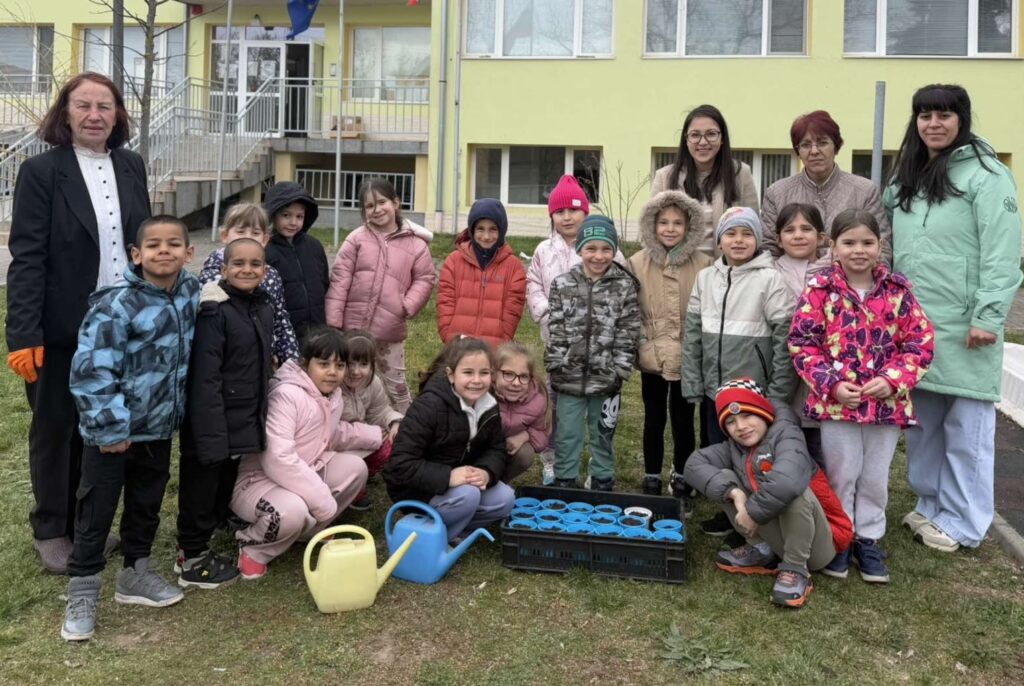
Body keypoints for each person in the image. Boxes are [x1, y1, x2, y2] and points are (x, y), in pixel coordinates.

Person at [6, 72, 151, 573]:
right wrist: (24, 333)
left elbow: (141, 241)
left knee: (105, 427)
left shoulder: (131, 165)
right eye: (83, 105)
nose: (94, 115)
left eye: (104, 106)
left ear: (118, 115)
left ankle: (88, 523)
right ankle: (52, 529)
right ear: (65, 114)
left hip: (124, 322)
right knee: (57, 429)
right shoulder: (42, 172)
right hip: (61, 325)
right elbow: (27, 257)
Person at [884, 84, 1022, 553]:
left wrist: (989, 315)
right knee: (923, 424)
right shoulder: (909, 174)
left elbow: (1003, 252)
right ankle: (931, 504)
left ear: (961, 119)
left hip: (965, 325)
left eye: (943, 114)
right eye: (925, 115)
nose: (933, 124)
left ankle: (965, 520)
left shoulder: (988, 175)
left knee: (968, 427)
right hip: (915, 325)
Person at [61, 216, 200, 641]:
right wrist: (109, 428)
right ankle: (82, 591)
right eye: (153, 245)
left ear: (188, 253)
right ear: (136, 255)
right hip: (112, 437)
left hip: (158, 430)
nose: (164, 250)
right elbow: (92, 371)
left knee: (146, 504)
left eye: (173, 243)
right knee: (96, 512)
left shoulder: (192, 292)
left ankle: (135, 573)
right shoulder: (116, 304)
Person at [789, 209, 934, 583]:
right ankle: (841, 536)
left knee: (874, 476)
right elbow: (803, 344)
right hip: (838, 406)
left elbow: (920, 342)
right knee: (842, 472)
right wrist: (833, 385)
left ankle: (868, 537)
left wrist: (892, 380)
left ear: (879, 246)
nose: (858, 250)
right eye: (849, 242)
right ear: (833, 246)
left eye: (867, 242)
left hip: (885, 408)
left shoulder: (898, 292)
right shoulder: (819, 291)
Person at [683, 379, 852, 609]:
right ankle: (762, 550)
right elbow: (694, 465)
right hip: (779, 534)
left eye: (747, 415)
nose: (741, 426)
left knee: (795, 492)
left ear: (763, 411)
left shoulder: (788, 435)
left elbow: (787, 482)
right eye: (731, 422)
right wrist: (735, 494)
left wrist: (751, 513)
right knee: (723, 478)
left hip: (818, 544)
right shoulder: (734, 447)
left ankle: (796, 569)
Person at [680, 206, 796, 537]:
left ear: (758, 240)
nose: (739, 240)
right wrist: (693, 380)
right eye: (731, 233)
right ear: (719, 241)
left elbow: (783, 341)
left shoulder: (770, 279)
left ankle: (759, 516)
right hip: (715, 390)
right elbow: (692, 334)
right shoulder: (706, 278)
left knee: (752, 454)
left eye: (747, 234)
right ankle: (730, 510)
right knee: (721, 448)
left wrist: (777, 391)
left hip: (752, 393)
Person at [229, 328, 375, 580]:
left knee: (356, 469)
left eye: (339, 365)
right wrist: (322, 500)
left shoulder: (333, 395)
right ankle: (253, 548)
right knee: (292, 512)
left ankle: (308, 532)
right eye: (324, 364)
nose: (332, 372)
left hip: (303, 471)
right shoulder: (286, 395)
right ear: (305, 364)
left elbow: (329, 434)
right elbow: (278, 458)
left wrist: (374, 434)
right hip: (259, 481)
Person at [176, 238, 275, 589]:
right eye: (238, 264)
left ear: (265, 270)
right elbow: (206, 377)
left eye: (255, 264)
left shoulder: (262, 306)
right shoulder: (214, 311)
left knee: (224, 480)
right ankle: (191, 555)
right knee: (201, 484)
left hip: (243, 415)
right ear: (223, 269)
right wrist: (209, 431)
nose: (247, 270)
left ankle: (214, 529)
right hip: (212, 418)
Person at [384, 338, 515, 543]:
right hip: (417, 490)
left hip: (462, 485)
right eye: (468, 372)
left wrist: (486, 472)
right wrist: (447, 476)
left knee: (506, 499)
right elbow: (400, 464)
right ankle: (430, 535)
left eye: (484, 373)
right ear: (451, 375)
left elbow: (496, 448)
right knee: (469, 495)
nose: (477, 380)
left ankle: (453, 530)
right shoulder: (428, 406)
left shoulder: (489, 404)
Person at [629, 190, 713, 502]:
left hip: (688, 357)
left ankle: (682, 476)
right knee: (653, 417)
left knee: (683, 419)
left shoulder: (704, 264)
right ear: (652, 225)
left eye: (678, 223)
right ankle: (651, 474)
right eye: (663, 222)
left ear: (689, 227)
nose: (670, 228)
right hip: (652, 354)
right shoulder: (637, 263)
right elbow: (630, 307)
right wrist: (641, 341)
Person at [546, 216, 641, 491]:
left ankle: (602, 477)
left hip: (607, 378)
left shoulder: (624, 286)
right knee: (567, 432)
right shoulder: (562, 284)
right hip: (569, 376)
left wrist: (620, 369)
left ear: (614, 250)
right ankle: (565, 478)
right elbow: (556, 328)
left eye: (606, 249)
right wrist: (556, 364)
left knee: (603, 432)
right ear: (580, 249)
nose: (598, 256)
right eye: (591, 248)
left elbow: (628, 331)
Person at [325, 177, 436, 412]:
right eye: (369, 205)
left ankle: (402, 422)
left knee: (394, 382)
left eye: (382, 202)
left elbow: (425, 278)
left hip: (390, 329)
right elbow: (340, 278)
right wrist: (334, 320)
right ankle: (351, 419)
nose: (377, 210)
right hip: (353, 328)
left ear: (396, 203)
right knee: (350, 378)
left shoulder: (416, 245)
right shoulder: (356, 239)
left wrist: (407, 305)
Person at [761, 110, 892, 263]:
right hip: (788, 278)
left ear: (836, 146)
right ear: (798, 151)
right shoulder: (777, 193)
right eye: (805, 145)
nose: (814, 151)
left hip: (852, 277)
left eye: (822, 143)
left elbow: (882, 250)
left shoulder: (865, 191)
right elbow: (768, 250)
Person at [650, 104, 759, 256]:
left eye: (711, 134)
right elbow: (649, 231)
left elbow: (753, 229)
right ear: (686, 139)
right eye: (695, 135)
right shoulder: (665, 177)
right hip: (678, 267)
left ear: (722, 138)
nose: (702, 142)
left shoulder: (741, 174)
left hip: (726, 267)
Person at [197, 202, 298, 363]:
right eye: (240, 231)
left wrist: (291, 359)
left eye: (255, 233)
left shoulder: (271, 275)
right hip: (228, 357)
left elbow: (280, 318)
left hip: (262, 357)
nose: (247, 237)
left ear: (265, 239)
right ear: (225, 236)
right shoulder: (214, 270)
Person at [773, 203, 831, 466]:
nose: (798, 235)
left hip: (823, 376)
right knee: (787, 448)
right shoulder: (771, 273)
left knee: (821, 452)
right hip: (784, 371)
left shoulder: (835, 271)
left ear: (821, 237)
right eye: (790, 230)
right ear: (778, 239)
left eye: (806, 229)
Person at [437, 198, 527, 347]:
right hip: (458, 347)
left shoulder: (514, 267)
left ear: (502, 230)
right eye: (480, 229)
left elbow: (512, 311)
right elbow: (445, 303)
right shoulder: (453, 262)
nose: (486, 236)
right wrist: (449, 337)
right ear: (472, 230)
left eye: (493, 229)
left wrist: (502, 340)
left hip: (495, 350)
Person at [339, 330, 404, 511]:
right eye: (350, 363)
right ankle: (351, 488)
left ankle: (366, 473)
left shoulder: (372, 382)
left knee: (392, 444)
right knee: (352, 464)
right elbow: (333, 431)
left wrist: (393, 422)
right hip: (338, 446)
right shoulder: (333, 386)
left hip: (364, 437)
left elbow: (380, 410)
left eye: (363, 364)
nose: (355, 371)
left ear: (372, 365)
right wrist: (370, 434)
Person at [263, 181, 329, 341]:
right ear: (272, 215)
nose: (293, 222)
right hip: (283, 336)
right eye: (286, 215)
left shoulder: (314, 246)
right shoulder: (265, 251)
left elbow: (324, 283)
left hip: (317, 333)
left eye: (299, 216)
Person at [493, 341, 551, 484]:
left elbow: (543, 433)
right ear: (494, 373)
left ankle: (499, 483)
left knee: (525, 454)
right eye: (508, 374)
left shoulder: (537, 401)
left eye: (523, 376)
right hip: (480, 451)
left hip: (508, 451)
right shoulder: (483, 394)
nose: (516, 383)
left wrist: (525, 435)